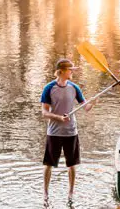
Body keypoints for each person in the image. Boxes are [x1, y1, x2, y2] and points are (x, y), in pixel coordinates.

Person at [40, 58, 94, 199]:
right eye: (70, 70)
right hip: (54, 132)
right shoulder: (49, 88)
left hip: (71, 131)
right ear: (62, 71)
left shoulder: (74, 88)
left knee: (72, 164)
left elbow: (86, 107)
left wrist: (93, 102)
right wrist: (59, 118)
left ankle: (70, 193)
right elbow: (44, 113)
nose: (72, 72)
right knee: (49, 164)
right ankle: (45, 193)